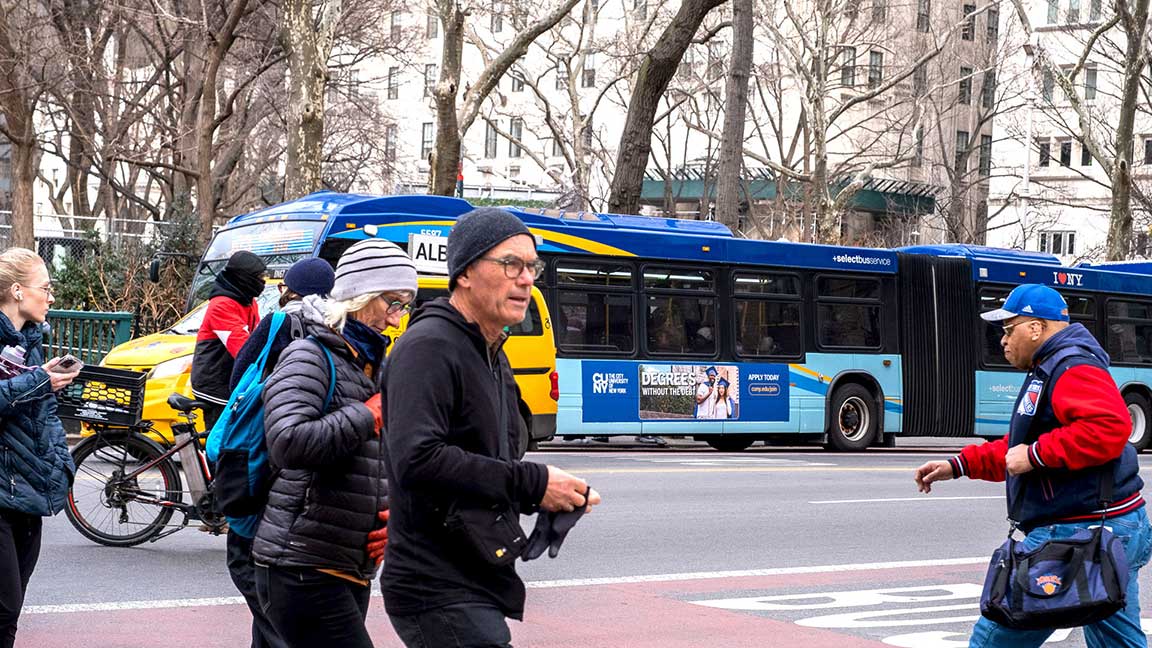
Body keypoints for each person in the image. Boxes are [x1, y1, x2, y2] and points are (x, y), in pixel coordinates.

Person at [382, 208, 602, 647]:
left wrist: (548, 498)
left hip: (476, 571)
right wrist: (532, 483)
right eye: (510, 264)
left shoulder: (492, 350)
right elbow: (417, 459)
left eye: (531, 266)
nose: (526, 279)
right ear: (465, 272)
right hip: (435, 583)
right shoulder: (427, 347)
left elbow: (489, 461)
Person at [914, 284, 1150, 648]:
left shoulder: (1072, 366)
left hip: (1077, 533)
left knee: (995, 639)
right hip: (1105, 527)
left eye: (1009, 330)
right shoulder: (1054, 366)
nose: (1003, 341)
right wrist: (959, 464)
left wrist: (1036, 455)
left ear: (1036, 328)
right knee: (1117, 642)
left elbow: (1109, 428)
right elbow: (1017, 449)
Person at [252, 239, 417, 648]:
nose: (396, 321)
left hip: (345, 563)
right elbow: (288, 443)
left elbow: (372, 465)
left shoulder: (368, 364)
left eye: (404, 307)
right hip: (301, 564)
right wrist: (370, 413)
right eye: (392, 304)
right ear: (360, 297)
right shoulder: (309, 356)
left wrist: (391, 518)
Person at [223, 257, 335, 648]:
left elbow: (241, 376)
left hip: (263, 455)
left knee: (248, 566)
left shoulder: (278, 322)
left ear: (292, 288)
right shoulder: (336, 329)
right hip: (305, 470)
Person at [0, 248, 80, 648]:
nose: (50, 297)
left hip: (27, 496)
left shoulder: (31, 342)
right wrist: (37, 382)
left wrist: (61, 466)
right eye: (44, 288)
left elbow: (45, 418)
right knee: (3, 607)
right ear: (17, 291)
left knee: (10, 612)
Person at [191, 250, 266, 428]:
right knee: (223, 440)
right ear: (243, 278)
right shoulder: (222, 305)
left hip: (231, 379)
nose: (263, 281)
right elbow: (244, 349)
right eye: (259, 276)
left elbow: (258, 337)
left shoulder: (248, 301)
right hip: (215, 382)